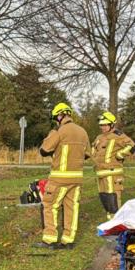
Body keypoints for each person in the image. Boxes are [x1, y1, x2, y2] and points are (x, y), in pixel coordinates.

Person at [36, 102, 90, 249]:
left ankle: (50, 239)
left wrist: (51, 138)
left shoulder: (59, 131)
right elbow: (87, 155)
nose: (56, 121)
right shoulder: (83, 132)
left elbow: (43, 150)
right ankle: (68, 241)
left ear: (60, 116)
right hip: (77, 178)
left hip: (59, 178)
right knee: (72, 208)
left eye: (56, 118)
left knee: (50, 205)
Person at [91, 110, 135, 216]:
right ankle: (110, 222)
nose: (103, 127)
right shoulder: (99, 137)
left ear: (112, 124)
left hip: (113, 173)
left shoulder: (118, 135)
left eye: (105, 125)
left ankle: (117, 222)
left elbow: (132, 146)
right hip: (100, 173)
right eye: (101, 125)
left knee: (113, 201)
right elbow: (93, 149)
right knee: (105, 200)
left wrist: (120, 155)